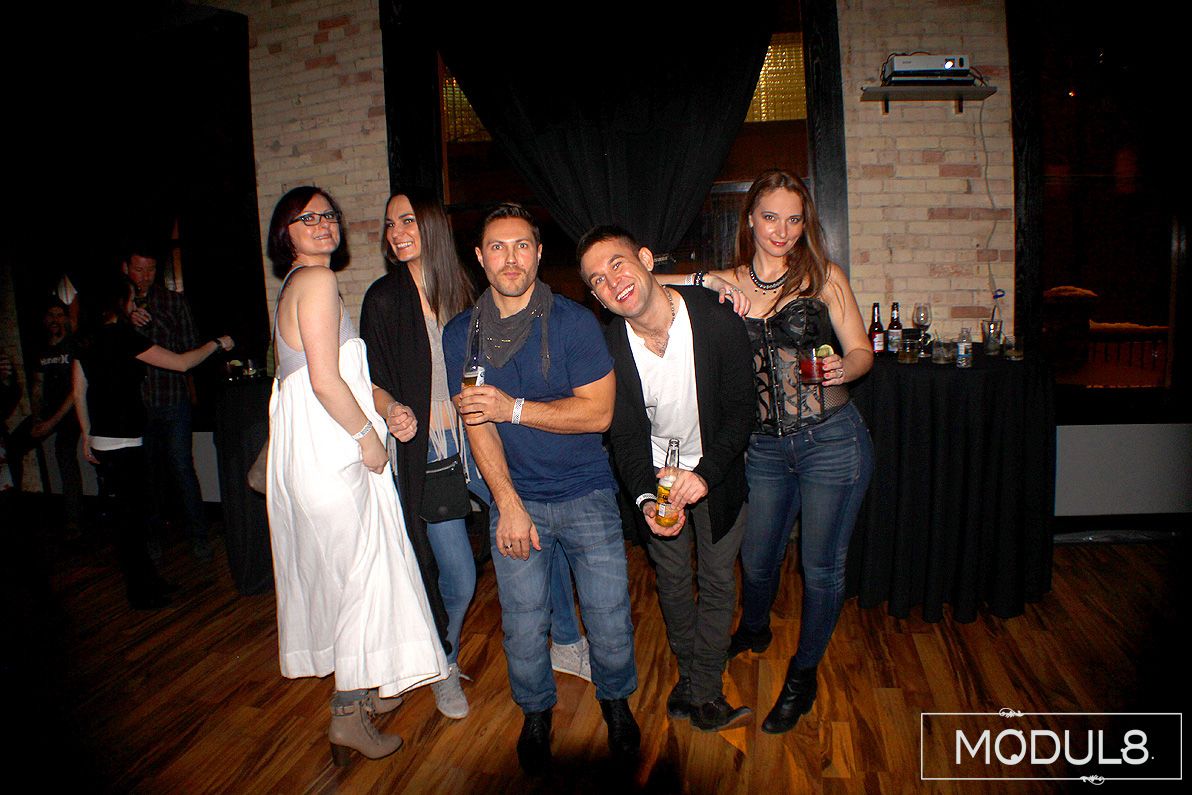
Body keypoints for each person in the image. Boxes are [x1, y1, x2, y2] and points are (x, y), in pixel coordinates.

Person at [359, 191, 590, 720]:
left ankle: (565, 640)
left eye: (408, 220)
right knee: (460, 576)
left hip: (486, 440)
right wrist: (391, 408)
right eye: (390, 224)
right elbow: (367, 378)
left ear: (433, 226)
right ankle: (442, 663)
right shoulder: (383, 299)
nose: (397, 232)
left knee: (538, 533)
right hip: (432, 453)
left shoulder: (465, 290)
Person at [671, 169, 874, 734]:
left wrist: (845, 367)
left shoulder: (824, 277)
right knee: (757, 560)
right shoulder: (727, 281)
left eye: (793, 219)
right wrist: (703, 277)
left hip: (831, 439)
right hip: (762, 448)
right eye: (770, 217)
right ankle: (756, 628)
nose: (782, 231)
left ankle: (803, 677)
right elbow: (648, 282)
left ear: (804, 224)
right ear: (750, 219)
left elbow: (862, 351)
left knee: (820, 566)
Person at [443, 203, 638, 774]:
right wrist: (507, 504)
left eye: (522, 246)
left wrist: (514, 408)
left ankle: (616, 703)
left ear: (538, 254)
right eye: (497, 247)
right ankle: (535, 713)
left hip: (586, 491)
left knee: (608, 616)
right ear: (479, 258)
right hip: (516, 497)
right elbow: (477, 424)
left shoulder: (574, 323)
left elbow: (599, 413)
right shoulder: (461, 336)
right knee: (524, 624)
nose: (511, 259)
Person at [263, 186, 447, 765]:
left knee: (358, 575)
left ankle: (373, 682)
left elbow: (317, 380)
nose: (322, 223)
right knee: (361, 582)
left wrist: (380, 411)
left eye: (328, 215)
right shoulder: (316, 281)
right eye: (307, 218)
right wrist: (368, 439)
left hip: (315, 457)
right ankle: (348, 714)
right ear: (285, 233)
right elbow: (324, 381)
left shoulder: (298, 285)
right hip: (333, 456)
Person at [578, 225, 756, 731]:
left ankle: (702, 691)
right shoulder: (609, 350)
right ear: (598, 299)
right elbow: (625, 437)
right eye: (597, 280)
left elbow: (742, 412)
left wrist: (705, 475)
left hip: (718, 469)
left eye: (617, 264)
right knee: (673, 582)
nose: (612, 282)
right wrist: (643, 499)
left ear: (645, 258)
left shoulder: (715, 318)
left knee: (717, 579)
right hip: (656, 478)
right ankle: (695, 681)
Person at [72, 276, 233, 609]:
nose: (134, 303)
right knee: (132, 521)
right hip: (126, 441)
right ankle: (141, 592)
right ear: (117, 302)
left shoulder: (86, 339)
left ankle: (148, 582)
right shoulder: (122, 337)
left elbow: (79, 392)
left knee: (130, 517)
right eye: (130, 298)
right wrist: (217, 344)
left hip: (104, 439)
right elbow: (181, 363)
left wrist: (87, 435)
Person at [123, 242, 211, 560]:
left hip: (172, 397)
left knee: (182, 468)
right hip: (136, 403)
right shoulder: (118, 308)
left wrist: (156, 329)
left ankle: (199, 537)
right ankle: (152, 539)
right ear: (126, 269)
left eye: (150, 269)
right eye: (138, 269)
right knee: (146, 474)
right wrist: (126, 320)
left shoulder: (173, 301)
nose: (144, 276)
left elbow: (191, 347)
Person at [4, 299, 83, 532]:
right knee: (13, 446)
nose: (55, 320)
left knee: (64, 453)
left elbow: (76, 391)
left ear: (66, 318)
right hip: (48, 410)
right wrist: (38, 419)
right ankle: (18, 510)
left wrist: (52, 421)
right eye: (51, 315)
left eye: (60, 315)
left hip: (72, 410)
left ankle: (74, 521)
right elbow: (37, 387)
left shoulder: (73, 346)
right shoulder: (41, 349)